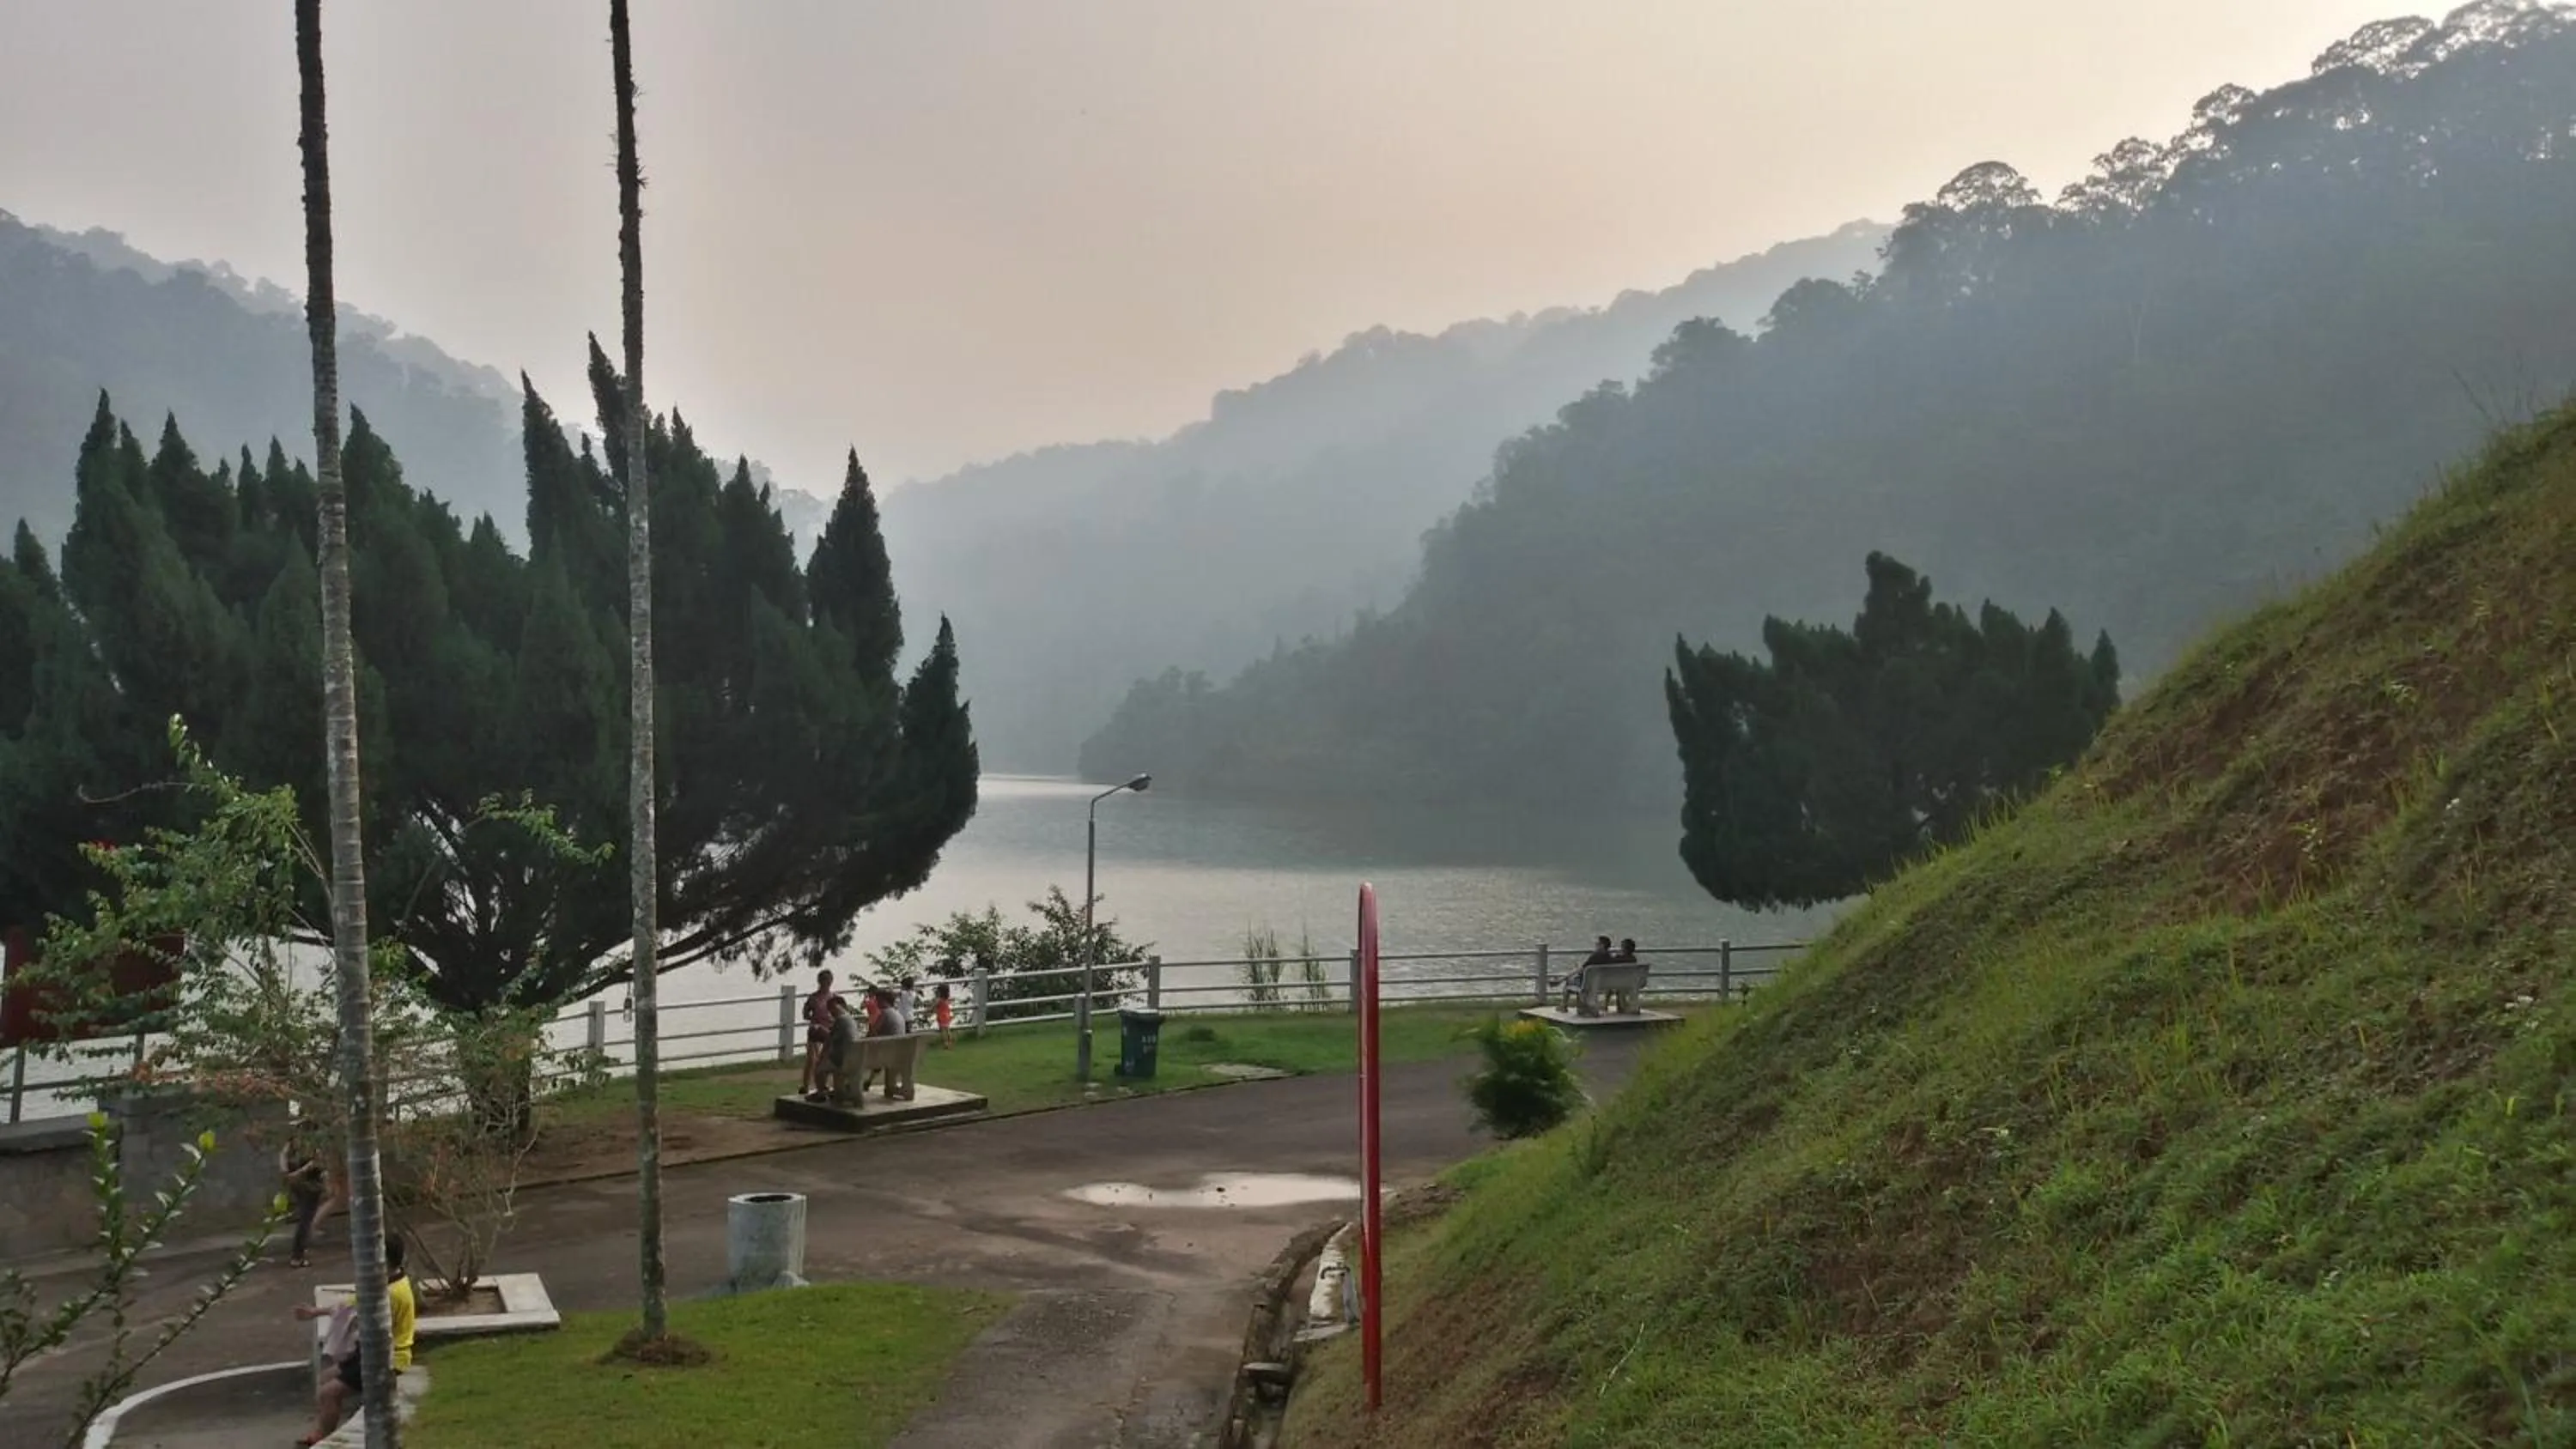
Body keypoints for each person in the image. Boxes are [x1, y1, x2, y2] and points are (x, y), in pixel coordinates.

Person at [293, 1234, 415, 1446]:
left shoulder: (390, 1294)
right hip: (369, 1353)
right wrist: (316, 1312)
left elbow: (354, 1312)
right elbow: (351, 1304)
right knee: (325, 1379)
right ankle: (325, 1425)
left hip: (388, 1358)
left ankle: (323, 1437)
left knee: (328, 1393)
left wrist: (319, 1314)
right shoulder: (391, 1283)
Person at [279, 1125, 330, 1268]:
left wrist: (287, 1173)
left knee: (305, 1218)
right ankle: (297, 1255)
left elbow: (283, 1158)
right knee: (306, 1220)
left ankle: (301, 1250)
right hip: (309, 1184)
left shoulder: (292, 1143)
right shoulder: (311, 1143)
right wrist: (303, 1170)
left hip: (300, 1183)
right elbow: (317, 1163)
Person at [799, 969, 837, 1095]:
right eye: (823, 981)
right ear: (819, 982)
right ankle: (805, 1085)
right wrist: (814, 1019)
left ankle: (823, 1085)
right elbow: (805, 1014)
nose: (825, 984)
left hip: (829, 1030)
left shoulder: (834, 997)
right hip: (815, 1030)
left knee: (827, 1058)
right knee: (812, 1058)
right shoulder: (813, 998)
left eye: (828, 981)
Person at [933, 982, 956, 1047]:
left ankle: (945, 1043)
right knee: (948, 1029)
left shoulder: (940, 1000)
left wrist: (930, 1009)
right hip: (947, 1016)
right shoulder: (947, 999)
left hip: (941, 1017)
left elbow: (935, 1006)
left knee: (942, 1031)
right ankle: (950, 1042)